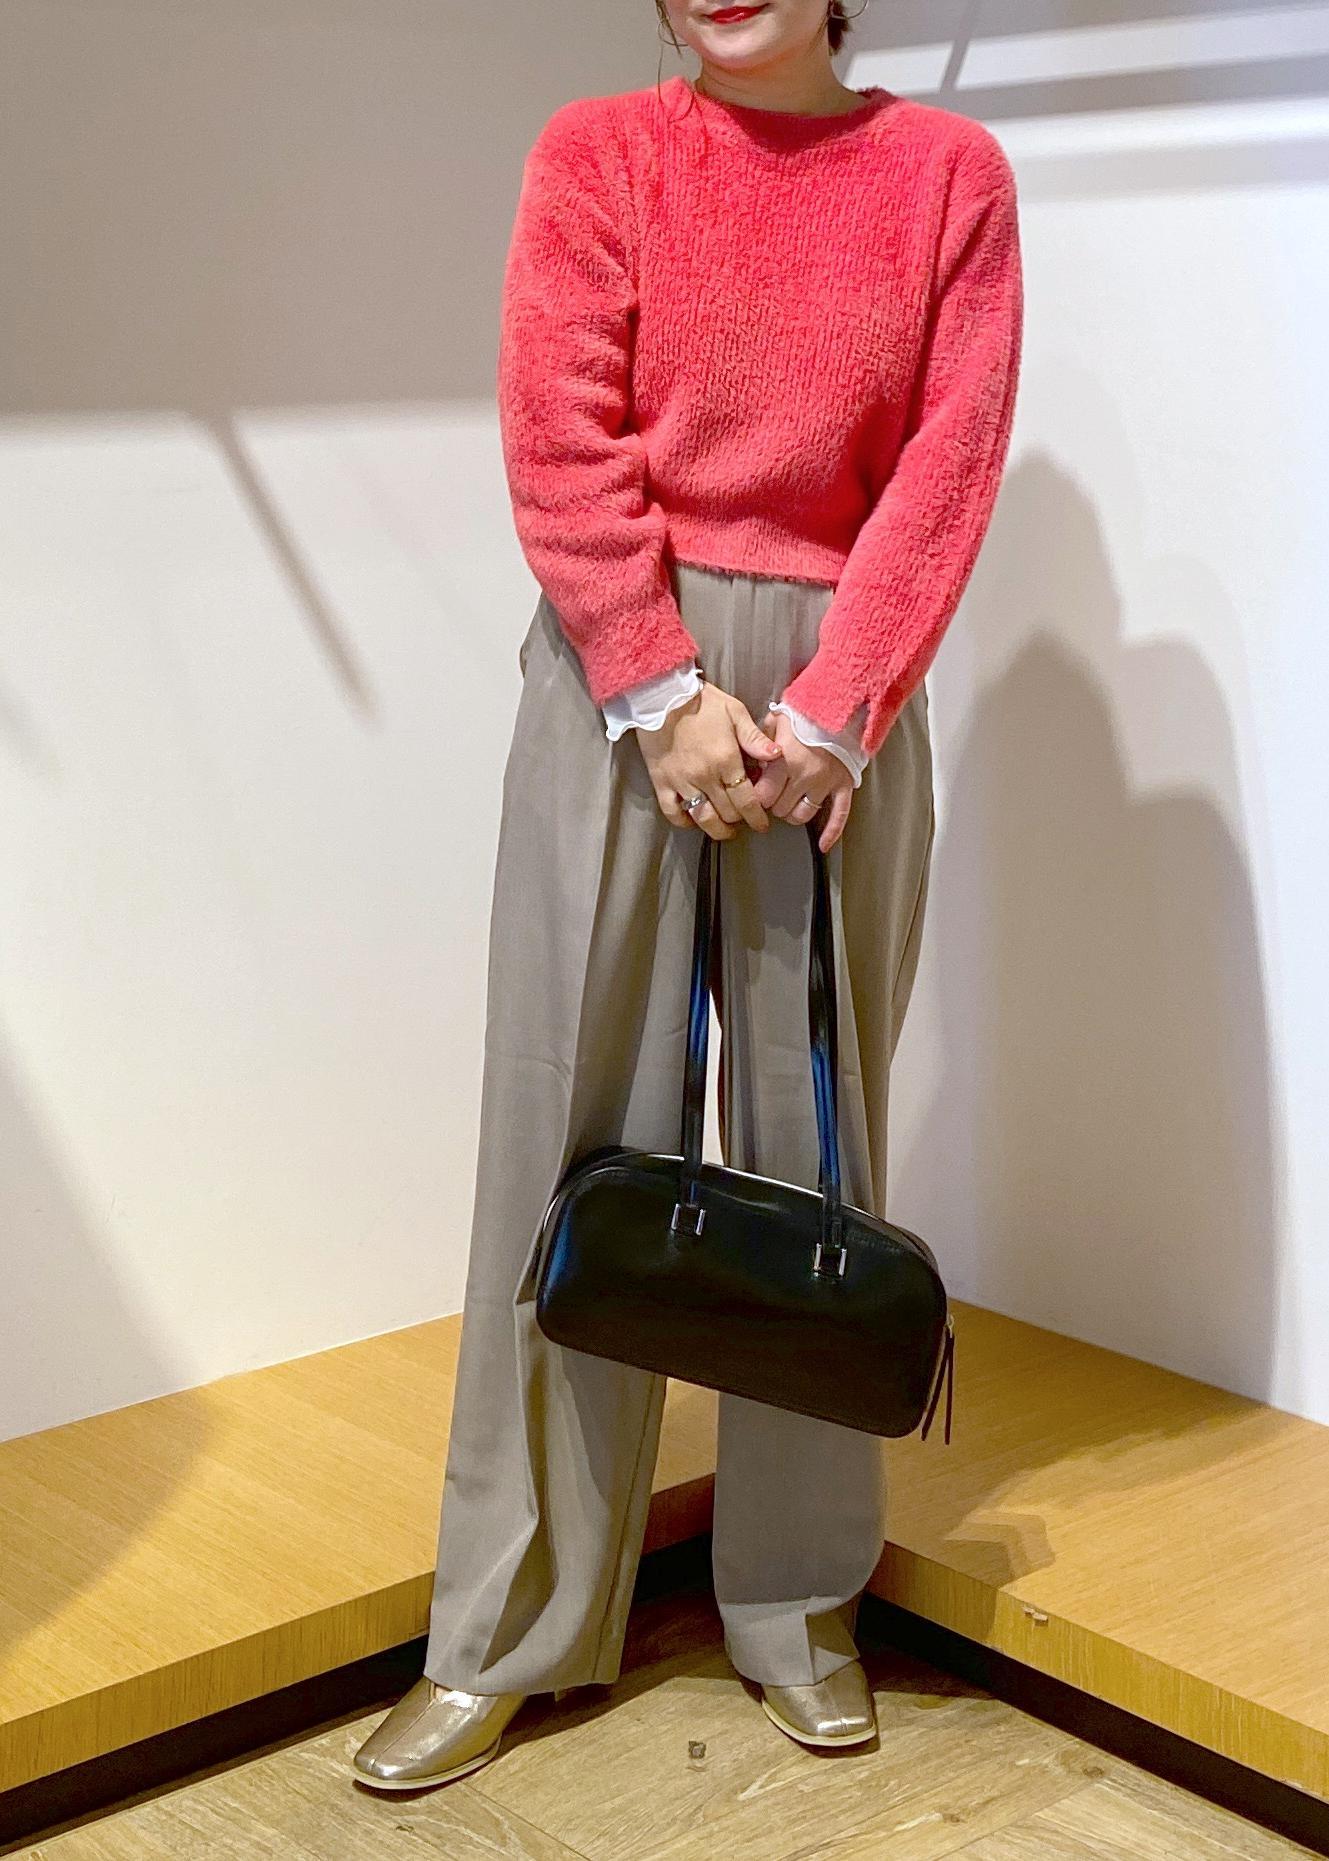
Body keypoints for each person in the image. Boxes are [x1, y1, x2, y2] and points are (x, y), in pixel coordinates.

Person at [352, 0, 1022, 1793]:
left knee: (813, 1155)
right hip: (612, 680)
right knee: (559, 1135)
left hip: (838, 703)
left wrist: (842, 701)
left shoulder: (947, 172)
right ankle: (504, 1617)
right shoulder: (600, 154)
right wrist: (655, 685)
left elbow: (948, 459)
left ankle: (798, 1599)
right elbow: (559, 429)